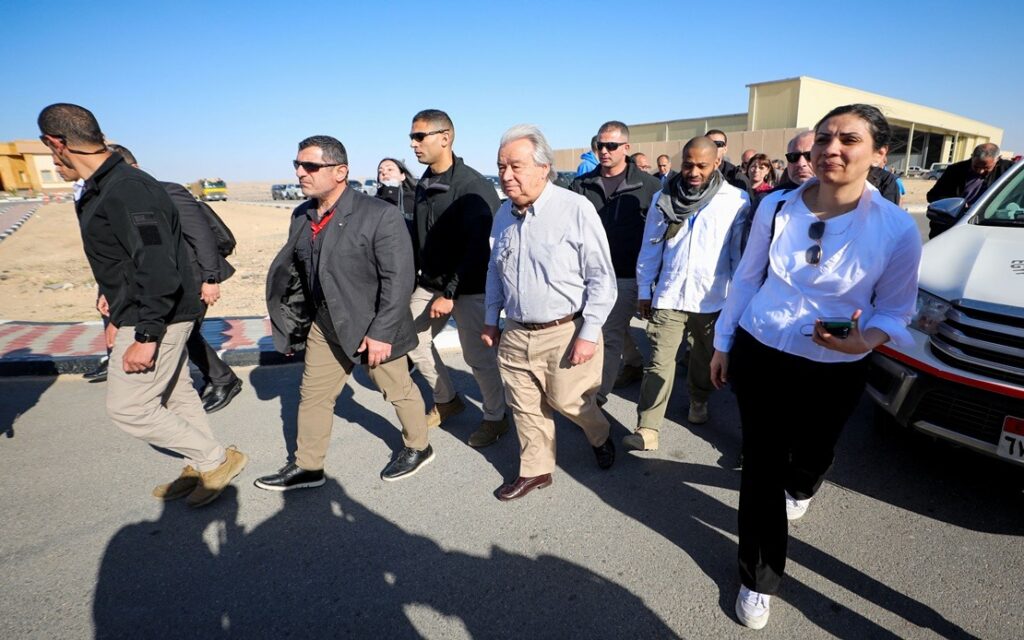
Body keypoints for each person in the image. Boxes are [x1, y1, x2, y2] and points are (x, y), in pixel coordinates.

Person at [709, 104, 921, 629]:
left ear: (879, 154)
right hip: (763, 346)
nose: (831, 149)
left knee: (813, 451)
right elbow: (748, 278)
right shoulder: (776, 207)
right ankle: (759, 577)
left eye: (849, 139)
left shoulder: (896, 229)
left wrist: (863, 341)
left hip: (835, 364)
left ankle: (803, 484)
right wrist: (723, 342)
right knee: (761, 464)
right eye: (824, 138)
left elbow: (897, 310)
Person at [38, 103, 246, 507]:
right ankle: (200, 466)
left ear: (56, 142)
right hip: (141, 310)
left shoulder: (128, 188)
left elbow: (156, 263)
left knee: (129, 408)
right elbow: (122, 259)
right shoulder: (103, 187)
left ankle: (215, 459)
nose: (53, 161)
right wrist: (114, 309)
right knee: (176, 395)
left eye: (50, 152)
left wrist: (147, 334)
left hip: (157, 315)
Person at [256, 135, 432, 490]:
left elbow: (399, 279)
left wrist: (381, 332)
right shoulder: (301, 215)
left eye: (310, 166)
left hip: (373, 325)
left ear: (340, 172)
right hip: (326, 324)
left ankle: (419, 446)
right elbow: (298, 275)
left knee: (397, 390)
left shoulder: (379, 215)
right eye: (298, 165)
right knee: (314, 395)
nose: (300, 173)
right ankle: (308, 466)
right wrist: (291, 322)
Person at [484, 124, 617, 501]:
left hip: (565, 330)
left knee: (569, 401)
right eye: (501, 167)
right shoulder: (503, 215)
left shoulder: (575, 209)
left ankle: (600, 434)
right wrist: (491, 319)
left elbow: (601, 277)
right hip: (515, 331)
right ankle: (535, 470)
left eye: (516, 166)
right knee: (524, 406)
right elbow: (494, 269)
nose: (506, 175)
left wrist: (589, 334)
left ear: (544, 168)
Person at [624, 137, 749, 451]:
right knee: (659, 361)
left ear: (717, 163)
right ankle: (647, 427)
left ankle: (698, 399)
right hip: (669, 293)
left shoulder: (735, 200)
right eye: (687, 165)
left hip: (712, 298)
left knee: (703, 360)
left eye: (701, 166)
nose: (693, 172)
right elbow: (650, 247)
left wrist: (737, 301)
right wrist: (644, 289)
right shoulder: (664, 197)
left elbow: (737, 256)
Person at [106, 144, 242, 413]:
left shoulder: (168, 191)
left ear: (134, 168)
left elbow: (201, 235)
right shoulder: (127, 200)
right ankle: (211, 380)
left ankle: (222, 380)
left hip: (193, 277)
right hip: (166, 279)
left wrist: (210, 279)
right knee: (180, 331)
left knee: (184, 331)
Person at [406, 109, 509, 447]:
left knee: (478, 358)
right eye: (412, 137)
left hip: (469, 285)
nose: (413, 144)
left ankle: (496, 417)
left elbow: (480, 246)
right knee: (411, 338)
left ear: (445, 138)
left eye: (420, 136)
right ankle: (447, 400)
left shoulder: (471, 185)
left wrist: (450, 292)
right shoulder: (423, 183)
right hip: (431, 283)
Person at [570, 121, 661, 403]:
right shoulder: (581, 184)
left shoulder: (650, 186)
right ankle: (633, 362)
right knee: (608, 326)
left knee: (607, 332)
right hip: (587, 274)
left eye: (611, 145)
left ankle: (595, 397)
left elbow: (659, 235)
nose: (604, 151)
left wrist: (651, 283)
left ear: (626, 148)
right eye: (600, 145)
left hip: (627, 274)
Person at [926, 142, 1013, 237]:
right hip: (952, 226)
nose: (980, 171)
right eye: (976, 166)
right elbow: (933, 196)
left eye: (986, 167)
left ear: (998, 159)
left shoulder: (1010, 171)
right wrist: (956, 204)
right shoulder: (955, 171)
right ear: (972, 157)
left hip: (991, 227)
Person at [375, 157, 418, 241]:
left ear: (402, 176)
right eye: (380, 171)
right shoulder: (373, 202)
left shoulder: (414, 199)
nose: (384, 173)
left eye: (390, 169)